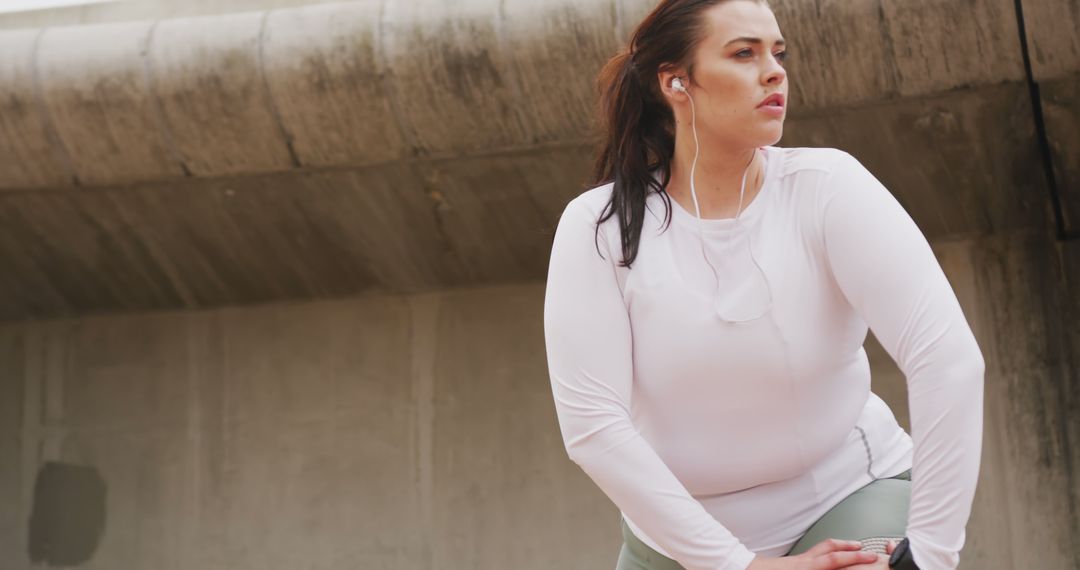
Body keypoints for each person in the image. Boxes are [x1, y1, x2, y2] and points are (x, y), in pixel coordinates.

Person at [541, 1, 986, 569]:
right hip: (679, 541)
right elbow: (593, 426)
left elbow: (947, 361)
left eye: (778, 53)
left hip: (848, 497)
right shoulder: (600, 225)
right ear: (676, 82)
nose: (774, 71)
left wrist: (928, 554)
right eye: (743, 53)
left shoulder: (828, 189)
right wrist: (740, 566)